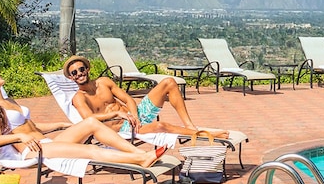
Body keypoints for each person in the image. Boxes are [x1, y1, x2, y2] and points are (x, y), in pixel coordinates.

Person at [0, 66, 164, 168]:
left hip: (46, 142)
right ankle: (140, 159)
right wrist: (20, 137)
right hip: (31, 151)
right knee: (88, 151)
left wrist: (63, 124)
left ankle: (138, 154)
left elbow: (31, 126)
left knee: (90, 122)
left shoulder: (10, 101)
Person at [63, 55, 229, 140]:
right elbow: (90, 119)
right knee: (161, 126)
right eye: (74, 73)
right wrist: (117, 114)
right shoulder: (79, 98)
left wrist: (135, 115)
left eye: (81, 69)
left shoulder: (104, 82)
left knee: (169, 82)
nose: (79, 74)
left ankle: (190, 126)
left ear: (87, 69)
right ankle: (200, 135)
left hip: (137, 117)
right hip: (122, 129)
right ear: (71, 77)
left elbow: (128, 99)